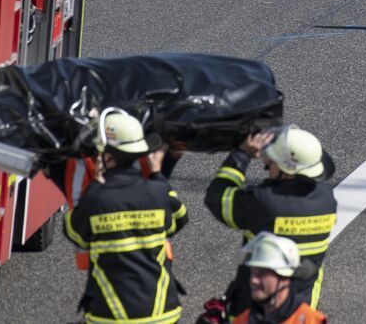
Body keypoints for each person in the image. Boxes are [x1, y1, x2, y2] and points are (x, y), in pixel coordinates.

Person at [64, 109, 188, 324]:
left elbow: (74, 233)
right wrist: (158, 174)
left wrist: (94, 185)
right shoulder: (159, 192)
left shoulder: (95, 200)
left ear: (107, 156)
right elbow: (180, 219)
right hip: (162, 314)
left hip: (110, 315)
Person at [205, 126, 336, 313]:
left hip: (255, 309)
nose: (268, 167)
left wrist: (241, 155)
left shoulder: (265, 203)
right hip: (303, 310)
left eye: (272, 163)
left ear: (288, 170)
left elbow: (217, 199)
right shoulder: (327, 200)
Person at [230, 233, 328, 324]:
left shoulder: (312, 321)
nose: (253, 280)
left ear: (284, 277)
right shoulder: (242, 320)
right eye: (253, 273)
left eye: (262, 274)